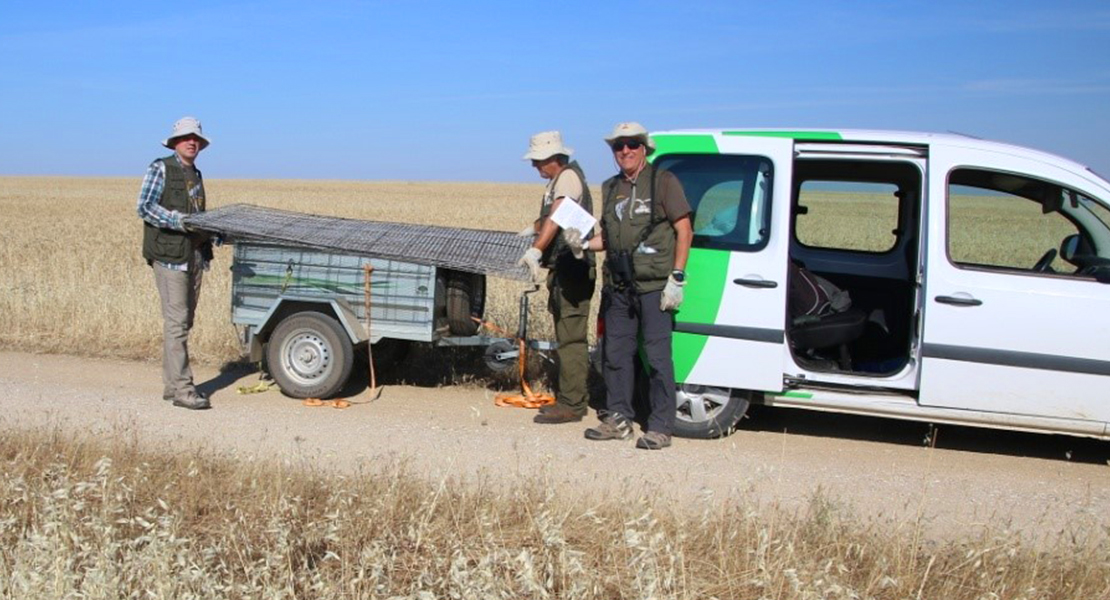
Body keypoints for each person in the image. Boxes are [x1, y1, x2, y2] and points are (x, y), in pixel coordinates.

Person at [570, 122, 693, 450]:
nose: (625, 151)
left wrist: (677, 277)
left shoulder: (664, 182)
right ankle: (619, 420)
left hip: (654, 286)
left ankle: (661, 426)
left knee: (657, 357)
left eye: (632, 145)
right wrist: (582, 245)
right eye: (618, 146)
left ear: (644, 148)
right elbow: (607, 238)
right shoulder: (610, 187)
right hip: (619, 287)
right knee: (616, 355)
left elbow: (684, 229)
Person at [516, 131, 596, 424]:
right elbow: (550, 217)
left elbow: (559, 215)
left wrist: (537, 249)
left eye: (539, 161)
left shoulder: (568, 178)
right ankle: (569, 399)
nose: (535, 166)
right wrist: (533, 227)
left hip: (575, 268)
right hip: (565, 268)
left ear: (556, 157)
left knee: (571, 339)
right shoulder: (558, 180)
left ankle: (573, 404)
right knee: (566, 335)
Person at [137, 116, 214, 410]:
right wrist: (177, 221)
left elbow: (196, 216)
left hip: (193, 256)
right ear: (175, 143)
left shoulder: (196, 174)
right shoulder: (160, 168)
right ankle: (183, 389)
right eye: (186, 138)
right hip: (169, 257)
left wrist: (212, 233)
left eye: (195, 139)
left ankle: (171, 386)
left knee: (183, 322)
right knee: (178, 323)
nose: (191, 142)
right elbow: (144, 206)